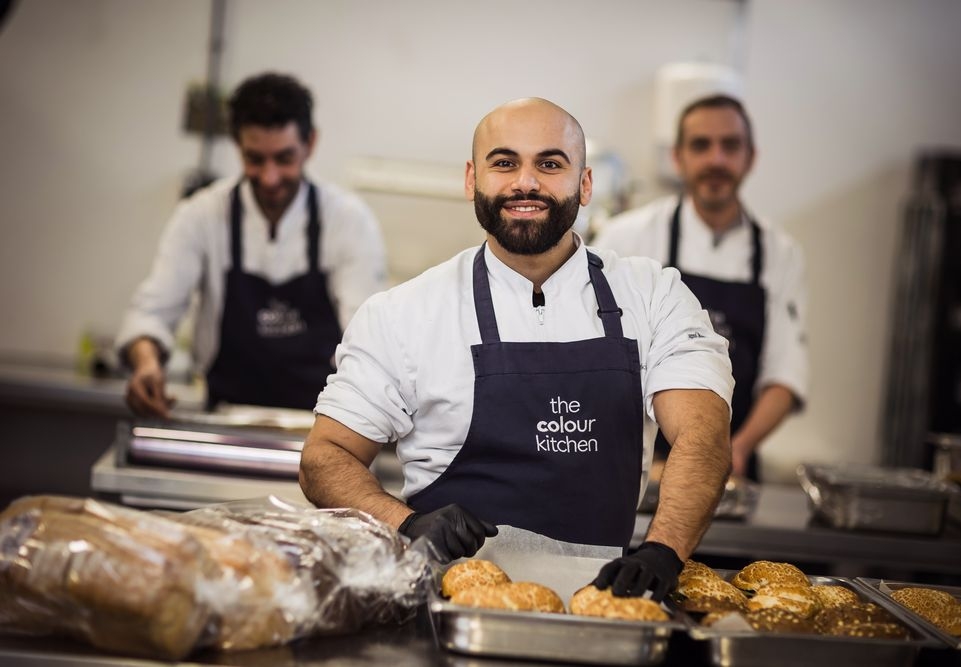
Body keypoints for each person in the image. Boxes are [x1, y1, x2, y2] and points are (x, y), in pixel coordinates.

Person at [299, 97, 734, 601]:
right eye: (504, 163)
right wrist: (407, 522)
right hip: (445, 608)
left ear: (585, 184)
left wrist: (664, 550)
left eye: (550, 164)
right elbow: (324, 457)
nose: (525, 182)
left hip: (601, 605)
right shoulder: (404, 313)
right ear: (471, 180)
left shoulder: (654, 295)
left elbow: (703, 434)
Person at [116, 72, 387, 417]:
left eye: (284, 159)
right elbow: (151, 312)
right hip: (224, 416)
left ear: (310, 144)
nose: (269, 177)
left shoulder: (348, 221)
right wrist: (146, 363)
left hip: (321, 424)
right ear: (237, 147)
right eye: (254, 159)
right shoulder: (200, 216)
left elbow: (365, 335)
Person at [591, 95, 808, 481]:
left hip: (732, 469)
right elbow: (595, 356)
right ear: (678, 157)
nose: (716, 160)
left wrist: (734, 450)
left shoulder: (781, 253)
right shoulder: (625, 238)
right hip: (637, 465)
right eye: (700, 145)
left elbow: (784, 374)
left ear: (750, 157)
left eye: (730, 145)